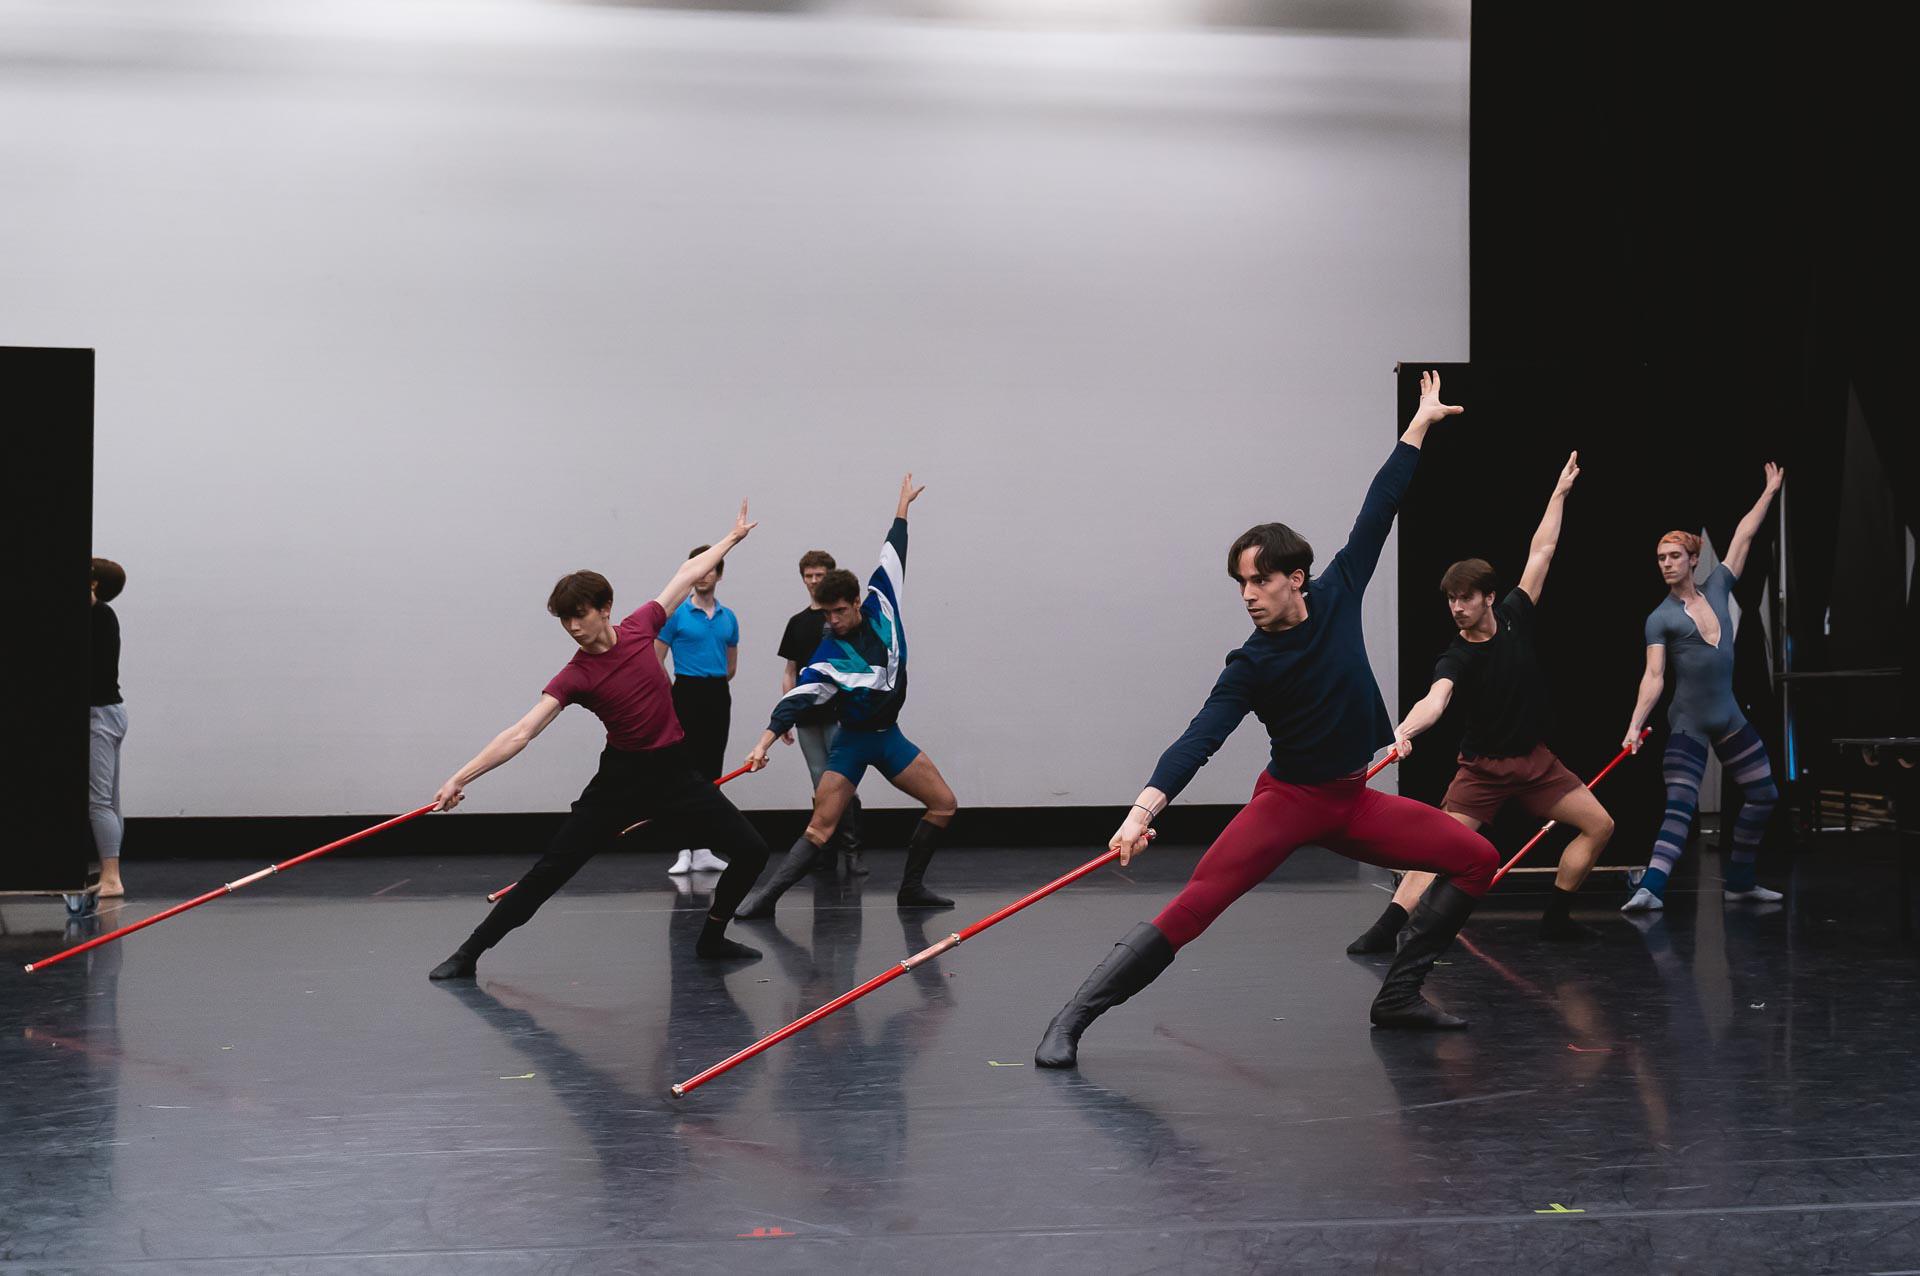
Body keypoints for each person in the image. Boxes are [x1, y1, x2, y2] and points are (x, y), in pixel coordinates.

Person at [1033, 372, 1500, 1070]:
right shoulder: (1250, 664)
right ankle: (1071, 1019)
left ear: (1295, 578)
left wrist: (1419, 425)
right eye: (1241, 584)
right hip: (1288, 802)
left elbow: (1381, 505)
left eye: (1259, 580)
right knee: (1196, 905)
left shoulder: (1340, 590)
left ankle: (1399, 996)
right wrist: (1139, 812)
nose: (1248, 595)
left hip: (1352, 800)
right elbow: (1199, 738)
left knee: (1478, 859)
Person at [426, 502, 770, 980]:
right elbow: (521, 732)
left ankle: (711, 938)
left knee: (753, 851)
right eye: (564, 620)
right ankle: (468, 954)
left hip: (677, 773)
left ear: (604, 608)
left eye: (579, 615)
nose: (572, 627)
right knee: (551, 870)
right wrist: (459, 778)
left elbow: (686, 573)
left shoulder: (641, 625)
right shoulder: (576, 675)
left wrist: (731, 538)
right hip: (620, 783)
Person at [1347, 452, 1615, 950]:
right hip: (1483, 770)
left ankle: (1556, 918)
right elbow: (1436, 699)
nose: (1456, 607)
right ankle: (1385, 931)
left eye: (1465, 598)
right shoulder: (1458, 656)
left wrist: (1559, 493)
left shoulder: (1515, 614)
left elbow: (1542, 550)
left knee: (1600, 825)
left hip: (1535, 763)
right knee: (1437, 849)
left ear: (1489, 597)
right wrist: (1404, 731)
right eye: (1451, 600)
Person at [736, 474, 959, 916]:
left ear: (857, 601)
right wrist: (762, 744)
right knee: (820, 827)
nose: (833, 620)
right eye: (827, 614)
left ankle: (911, 888)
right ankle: (764, 900)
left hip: (889, 737)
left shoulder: (884, 601)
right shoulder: (828, 655)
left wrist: (902, 507)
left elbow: (894, 549)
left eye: (839, 611)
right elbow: (795, 700)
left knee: (944, 804)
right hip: (853, 742)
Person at [1620, 465, 1787, 911]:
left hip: (1728, 716)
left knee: (1764, 795)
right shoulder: (1660, 618)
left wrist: (1769, 492)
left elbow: (1744, 535)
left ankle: (1741, 881)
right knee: (1680, 805)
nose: (1666, 564)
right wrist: (1635, 725)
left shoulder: (1718, 586)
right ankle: (1650, 888)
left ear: (1693, 559)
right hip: (1688, 723)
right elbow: (1654, 676)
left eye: (1674, 556)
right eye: (1661, 558)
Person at [777, 550, 868, 875]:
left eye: (820, 575)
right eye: (809, 575)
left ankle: (852, 851)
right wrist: (786, 713)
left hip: (839, 714)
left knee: (843, 781)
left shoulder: (841, 621)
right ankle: (825, 852)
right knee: (820, 782)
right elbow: (790, 671)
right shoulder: (797, 623)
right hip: (807, 717)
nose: (814, 581)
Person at [656, 543, 740, 876]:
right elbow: (656, 659)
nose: (704, 575)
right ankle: (684, 848)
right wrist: (674, 693)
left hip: (717, 694)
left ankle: (704, 847)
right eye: (698, 568)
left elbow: (730, 666)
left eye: (710, 569)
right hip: (685, 693)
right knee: (684, 770)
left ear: (718, 574)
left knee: (712, 769)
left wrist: (712, 681)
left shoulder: (728, 617)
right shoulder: (677, 615)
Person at [89, 558, 129, 898]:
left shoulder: (100, 615)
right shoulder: (102, 616)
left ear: (94, 584)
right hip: (109, 712)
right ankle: (109, 873)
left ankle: (112, 877)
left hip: (100, 715)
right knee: (110, 801)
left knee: (99, 802)